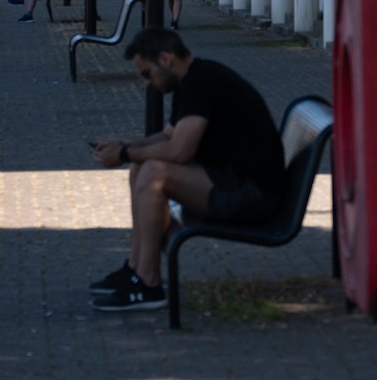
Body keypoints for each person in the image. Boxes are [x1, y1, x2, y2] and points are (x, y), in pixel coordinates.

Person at [85, 28, 285, 311]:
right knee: (141, 165)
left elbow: (180, 151)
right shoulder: (192, 79)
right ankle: (135, 268)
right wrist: (125, 146)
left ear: (165, 59)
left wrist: (125, 153)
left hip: (253, 194)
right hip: (236, 184)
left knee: (154, 171)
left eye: (146, 74)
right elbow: (168, 136)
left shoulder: (201, 82)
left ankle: (148, 283)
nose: (146, 83)